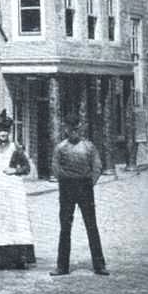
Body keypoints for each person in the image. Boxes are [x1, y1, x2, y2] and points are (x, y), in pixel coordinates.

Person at [49, 113, 108, 277]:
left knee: (91, 226)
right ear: (65, 130)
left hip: (85, 188)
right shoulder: (60, 148)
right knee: (65, 228)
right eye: (70, 129)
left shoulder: (89, 147)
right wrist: (67, 179)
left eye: (76, 129)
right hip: (67, 189)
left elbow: (97, 167)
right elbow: (55, 168)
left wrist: (90, 183)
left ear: (80, 129)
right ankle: (62, 266)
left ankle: (99, 265)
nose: (73, 132)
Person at [0, 109, 35, 269]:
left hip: (13, 187)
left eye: (5, 131)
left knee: (15, 220)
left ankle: (19, 257)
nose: (3, 133)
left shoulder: (15, 148)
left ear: (9, 132)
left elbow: (26, 167)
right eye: (0, 130)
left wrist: (15, 170)